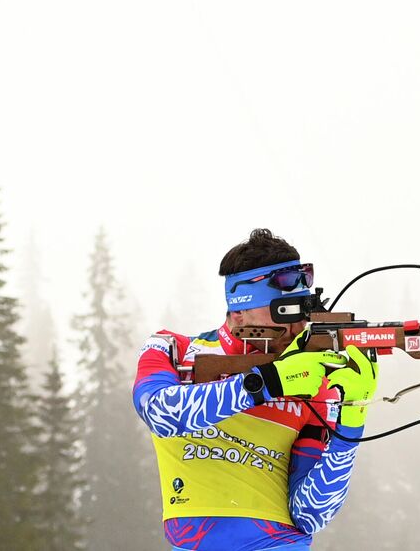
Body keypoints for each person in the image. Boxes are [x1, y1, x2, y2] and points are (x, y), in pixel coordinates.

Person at [133, 229, 379, 550]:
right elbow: (159, 413)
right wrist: (269, 383)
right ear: (238, 311)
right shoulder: (173, 349)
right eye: (283, 311)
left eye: (302, 311)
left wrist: (352, 418)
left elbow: (310, 514)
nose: (296, 327)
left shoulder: (313, 384)